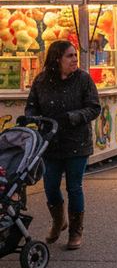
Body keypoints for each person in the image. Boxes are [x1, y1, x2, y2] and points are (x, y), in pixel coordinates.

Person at [24, 39, 101, 250]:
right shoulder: (41, 81)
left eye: (75, 55)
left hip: (77, 142)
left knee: (74, 187)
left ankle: (76, 231)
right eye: (70, 56)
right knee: (50, 186)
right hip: (50, 143)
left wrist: (73, 117)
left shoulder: (83, 79)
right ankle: (59, 221)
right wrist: (32, 119)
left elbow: (94, 108)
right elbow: (31, 107)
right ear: (57, 58)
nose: (74, 60)